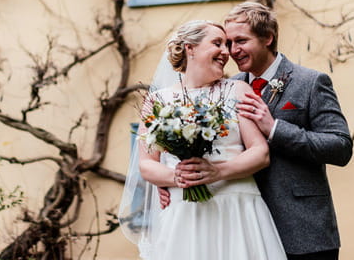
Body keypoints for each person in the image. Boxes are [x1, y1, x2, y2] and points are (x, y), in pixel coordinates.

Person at [119, 20, 287, 260]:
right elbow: (147, 164)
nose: (226, 52)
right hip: (184, 212)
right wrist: (177, 177)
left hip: (237, 208)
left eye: (227, 45)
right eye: (217, 43)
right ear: (190, 48)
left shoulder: (238, 90)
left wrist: (218, 172)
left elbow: (260, 153)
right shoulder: (157, 101)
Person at [224, 2, 353, 260]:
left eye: (240, 41)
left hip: (303, 231)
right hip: (244, 228)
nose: (232, 51)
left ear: (267, 38)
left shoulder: (310, 82)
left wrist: (275, 129)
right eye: (228, 43)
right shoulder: (228, 87)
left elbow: (340, 147)